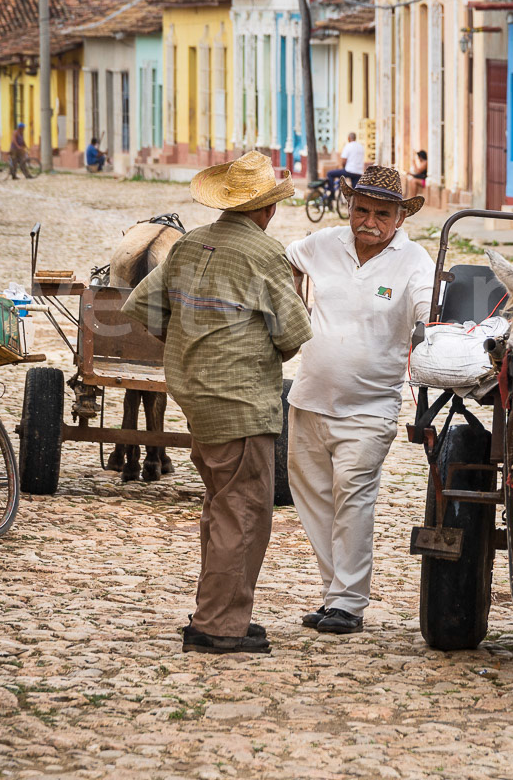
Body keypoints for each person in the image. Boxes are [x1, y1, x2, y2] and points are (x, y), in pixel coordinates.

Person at [123, 151, 312, 655]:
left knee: (221, 510)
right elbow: (293, 335)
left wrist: (189, 340)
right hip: (242, 403)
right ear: (268, 209)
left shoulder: (189, 244)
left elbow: (142, 305)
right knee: (244, 514)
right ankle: (218, 627)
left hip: (197, 398)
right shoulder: (265, 254)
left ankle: (218, 611)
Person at [286, 165, 434, 634]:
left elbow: (429, 308)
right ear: (350, 207)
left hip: (370, 408)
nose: (369, 221)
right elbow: (286, 258)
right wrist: (291, 302)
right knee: (314, 502)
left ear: (399, 219)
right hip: (308, 397)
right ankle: (335, 595)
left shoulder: (413, 261)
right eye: (361, 210)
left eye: (381, 214)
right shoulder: (323, 243)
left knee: (353, 498)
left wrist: (432, 329)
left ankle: (349, 604)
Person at [326, 132, 365, 199]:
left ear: (348, 138)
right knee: (355, 191)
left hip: (349, 171)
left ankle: (332, 194)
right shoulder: (361, 147)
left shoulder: (348, 146)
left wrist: (343, 167)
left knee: (330, 174)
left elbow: (344, 161)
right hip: (358, 172)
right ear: (355, 138)